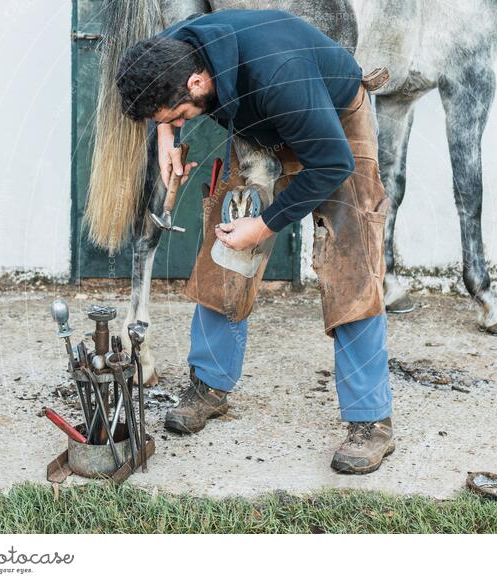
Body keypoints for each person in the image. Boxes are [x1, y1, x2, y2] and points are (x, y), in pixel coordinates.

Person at [116, 9, 393, 474]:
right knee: (226, 246)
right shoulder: (175, 48)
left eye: (180, 115)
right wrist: (166, 134)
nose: (180, 122)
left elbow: (330, 165)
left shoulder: (279, 76)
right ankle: (209, 385)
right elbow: (161, 89)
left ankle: (370, 422)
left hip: (332, 125)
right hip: (257, 122)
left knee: (351, 259)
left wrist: (264, 225)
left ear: (198, 83)